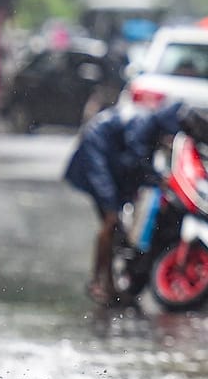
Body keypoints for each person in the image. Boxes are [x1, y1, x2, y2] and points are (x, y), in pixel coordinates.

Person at [63, 101, 184, 306]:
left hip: (108, 157)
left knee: (114, 223)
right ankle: (97, 282)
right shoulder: (144, 124)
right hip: (98, 153)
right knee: (110, 220)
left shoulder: (150, 127)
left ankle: (108, 284)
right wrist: (156, 179)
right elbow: (135, 160)